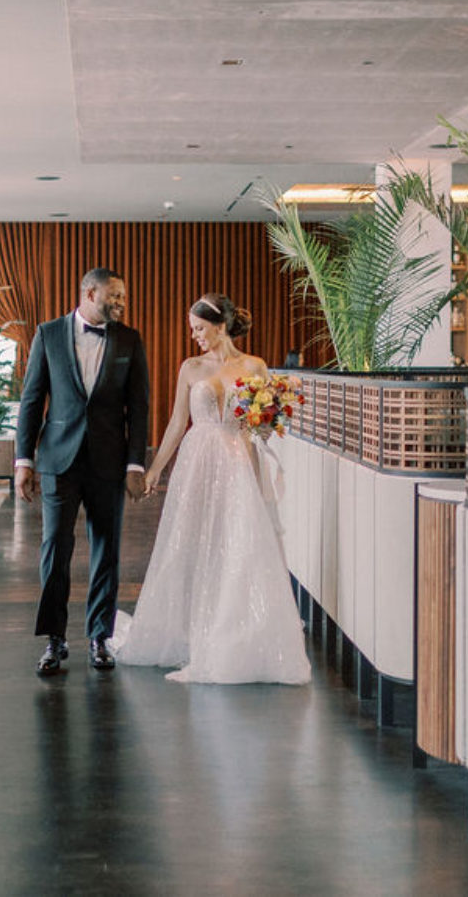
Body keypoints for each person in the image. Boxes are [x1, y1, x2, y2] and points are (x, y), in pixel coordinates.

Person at [112, 293, 311, 685]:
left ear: (220, 327)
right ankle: (192, 631)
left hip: (239, 460)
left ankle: (230, 637)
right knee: (195, 542)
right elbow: (175, 424)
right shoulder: (190, 368)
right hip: (198, 461)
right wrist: (154, 471)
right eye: (192, 329)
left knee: (237, 545)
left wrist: (269, 421)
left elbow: (262, 428)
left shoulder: (254, 366)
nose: (195, 335)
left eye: (200, 328)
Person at [14, 267, 151, 675]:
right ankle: (55, 641)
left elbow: (138, 407)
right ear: (90, 293)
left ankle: (99, 637)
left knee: (106, 551)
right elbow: (31, 400)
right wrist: (24, 461)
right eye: (115, 296)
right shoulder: (48, 334)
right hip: (58, 460)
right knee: (55, 550)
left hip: (109, 462)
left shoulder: (129, 339)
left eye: (124, 297)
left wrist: (135, 463)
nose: (122, 303)